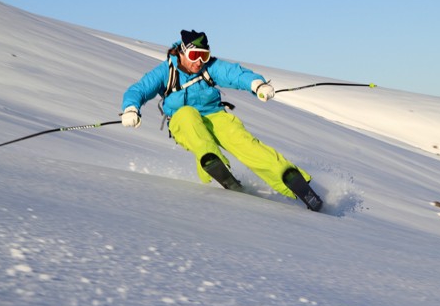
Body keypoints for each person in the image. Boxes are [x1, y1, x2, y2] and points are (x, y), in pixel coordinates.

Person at [120, 29, 316, 203]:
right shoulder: (166, 71)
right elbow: (139, 90)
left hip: (215, 115)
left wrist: (257, 84)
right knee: (189, 117)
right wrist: (131, 109)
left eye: (204, 56)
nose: (199, 61)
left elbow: (234, 74)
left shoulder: (209, 67)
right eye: (195, 55)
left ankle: (287, 176)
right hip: (183, 121)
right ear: (182, 52)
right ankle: (212, 164)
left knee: (242, 141)